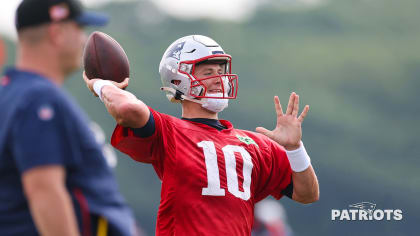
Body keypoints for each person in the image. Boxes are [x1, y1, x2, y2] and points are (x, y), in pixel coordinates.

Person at [83, 35, 319, 235]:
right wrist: (102, 85)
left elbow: (307, 194)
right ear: (179, 80)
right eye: (208, 72)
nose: (219, 79)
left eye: (220, 71)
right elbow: (127, 109)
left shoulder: (256, 144)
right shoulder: (170, 132)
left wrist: (295, 149)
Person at [0, 0, 135, 235]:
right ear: (57, 33)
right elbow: (44, 190)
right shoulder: (39, 98)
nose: (83, 40)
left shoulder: (12, 93)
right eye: (78, 29)